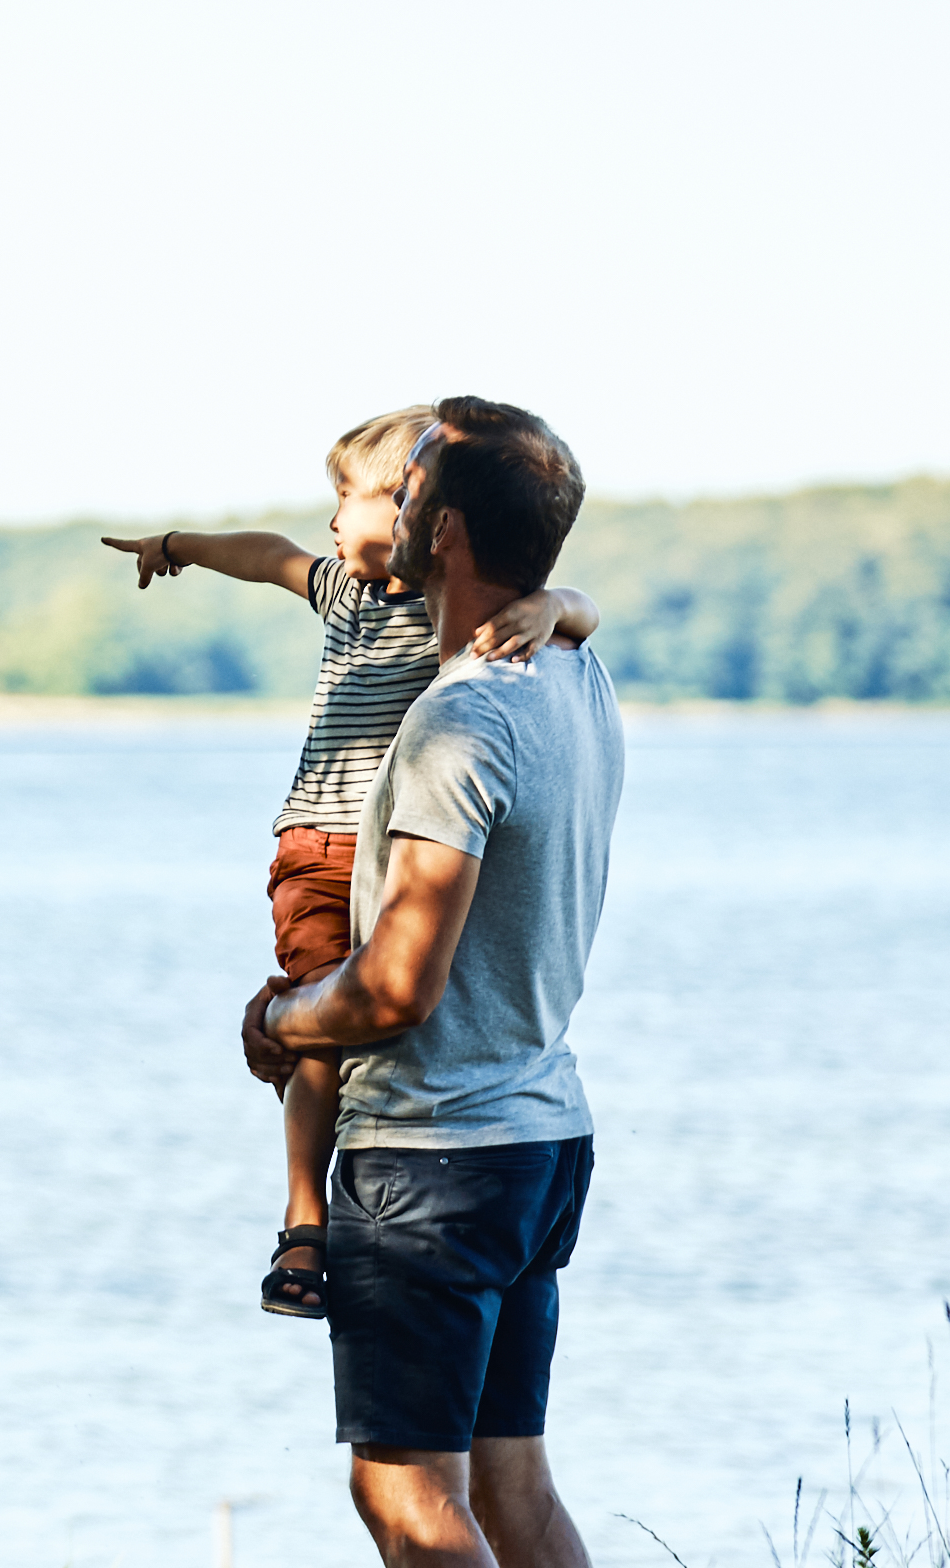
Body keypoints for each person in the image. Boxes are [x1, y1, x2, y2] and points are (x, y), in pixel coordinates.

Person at [240, 400, 621, 1568]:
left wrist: (284, 1015)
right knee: (512, 1470)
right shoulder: (575, 672)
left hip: (432, 1153)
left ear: (443, 528)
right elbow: (561, 607)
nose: (388, 521)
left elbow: (394, 986)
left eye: (409, 501)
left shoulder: (464, 716)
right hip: (538, 1136)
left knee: (406, 1480)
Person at [105, 417, 591, 1319]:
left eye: (351, 497)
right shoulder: (344, 593)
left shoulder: (445, 603)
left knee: (346, 1016)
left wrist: (553, 605)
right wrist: (176, 546)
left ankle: (312, 1220)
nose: (331, 520)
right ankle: (303, 1218)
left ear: (423, 512)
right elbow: (265, 555)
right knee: (320, 1021)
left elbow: (581, 607)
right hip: (316, 847)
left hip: (392, 852)